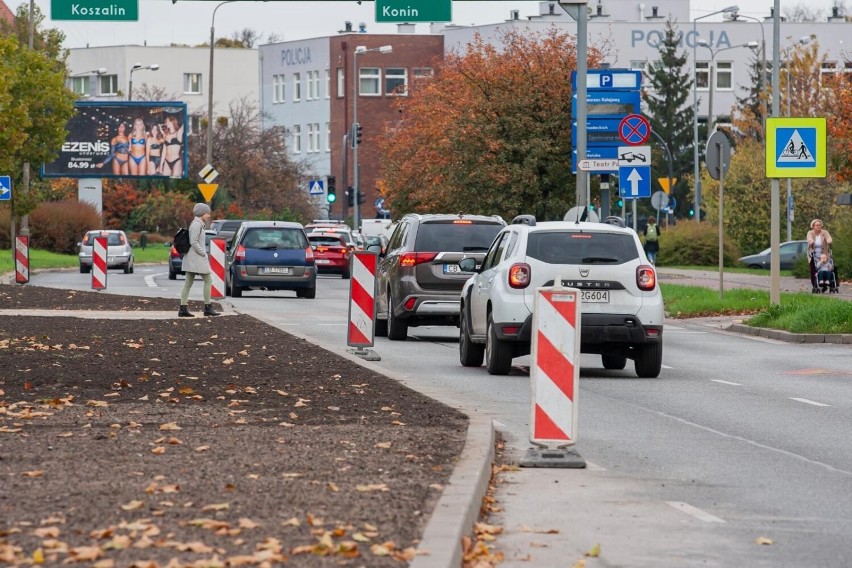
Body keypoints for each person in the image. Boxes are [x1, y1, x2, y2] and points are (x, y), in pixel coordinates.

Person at [179, 203, 219, 317]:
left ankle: (183, 309)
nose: (208, 215)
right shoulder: (197, 225)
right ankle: (208, 307)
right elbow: (194, 242)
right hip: (196, 257)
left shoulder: (197, 224)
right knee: (208, 280)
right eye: (207, 213)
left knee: (188, 283)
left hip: (191, 258)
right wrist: (203, 253)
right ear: (201, 213)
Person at [807, 218, 833, 292]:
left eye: (820, 225)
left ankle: (826, 284)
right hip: (814, 254)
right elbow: (809, 239)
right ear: (813, 226)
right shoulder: (810, 233)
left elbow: (829, 238)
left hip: (824, 255)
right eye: (817, 225)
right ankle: (815, 285)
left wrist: (829, 241)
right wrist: (811, 241)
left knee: (827, 268)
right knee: (814, 270)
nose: (819, 226)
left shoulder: (825, 232)